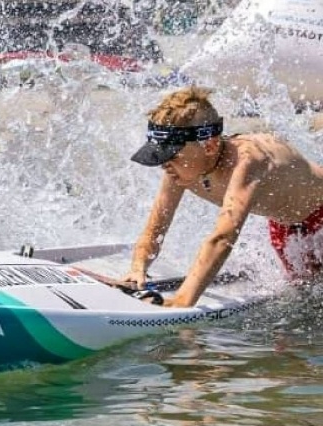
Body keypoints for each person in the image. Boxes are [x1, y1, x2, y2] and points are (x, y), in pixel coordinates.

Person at [125, 86, 323, 307]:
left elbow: (223, 237)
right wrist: (138, 268)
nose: (165, 165)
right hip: (286, 226)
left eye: (172, 156)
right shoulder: (181, 170)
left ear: (209, 145)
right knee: (307, 297)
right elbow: (156, 227)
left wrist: (182, 301)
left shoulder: (247, 161)